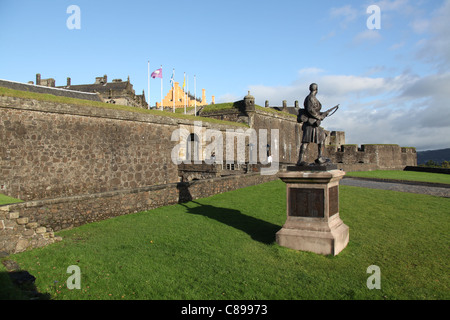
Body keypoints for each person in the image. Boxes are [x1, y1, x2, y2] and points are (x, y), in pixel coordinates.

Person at [297, 83, 337, 166]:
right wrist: (319, 117)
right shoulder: (310, 98)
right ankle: (300, 160)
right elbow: (310, 110)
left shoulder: (312, 98)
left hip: (314, 123)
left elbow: (314, 111)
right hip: (310, 123)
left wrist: (323, 114)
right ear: (316, 90)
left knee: (322, 137)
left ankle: (320, 157)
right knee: (306, 142)